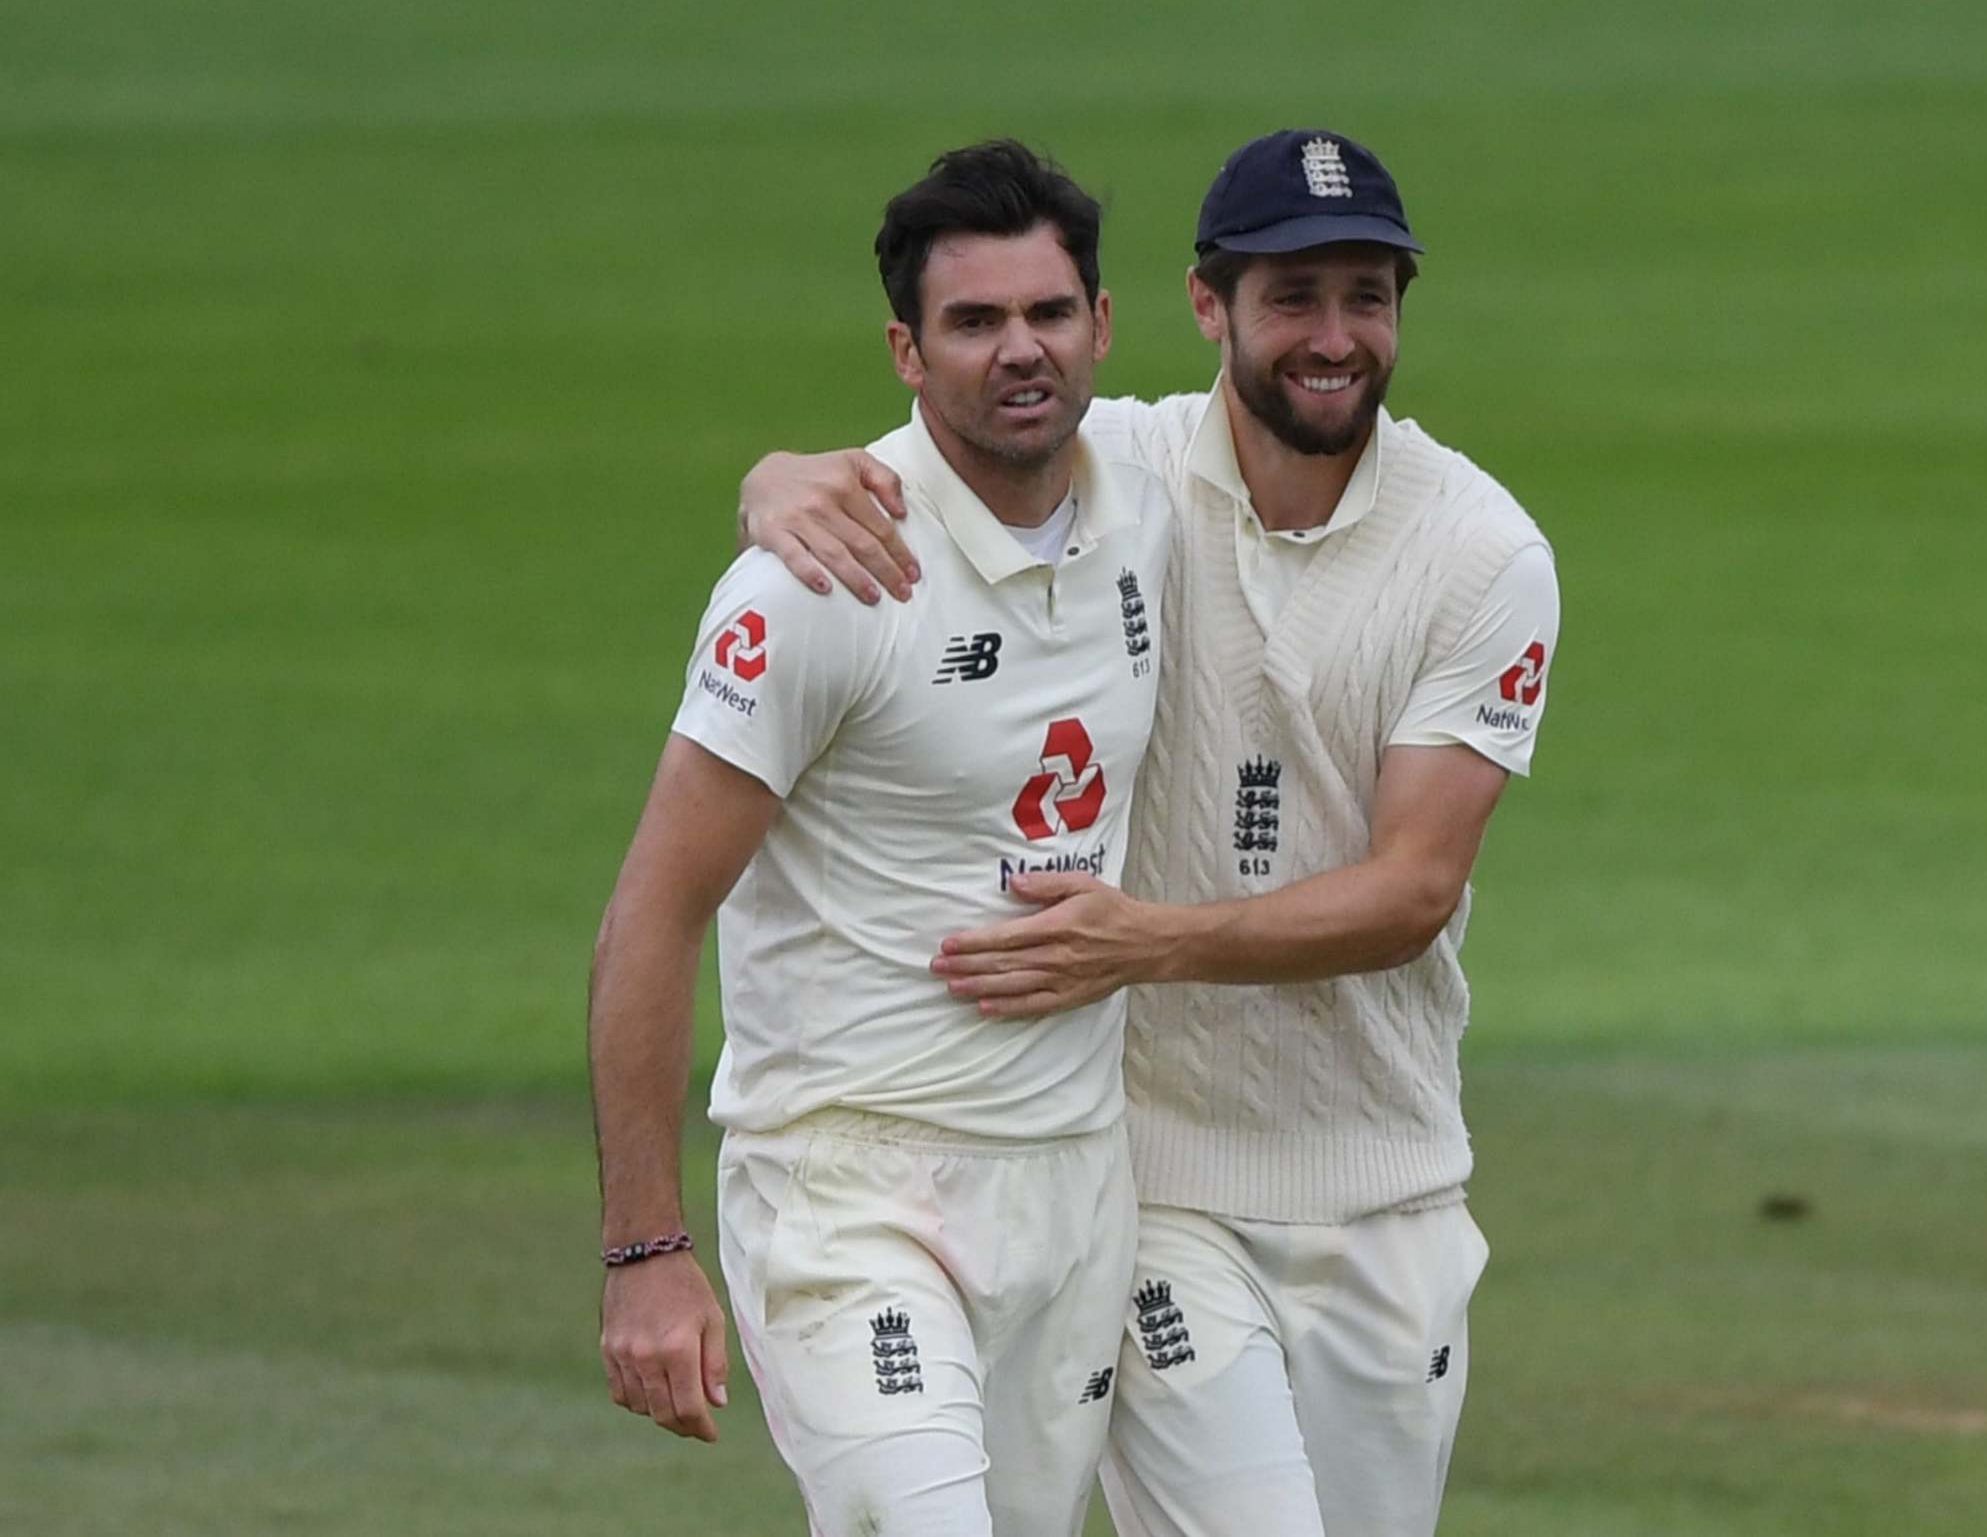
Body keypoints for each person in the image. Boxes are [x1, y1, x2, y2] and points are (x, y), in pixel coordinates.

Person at [739, 129, 1562, 1537]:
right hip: (1159, 1185)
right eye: (1291, 298)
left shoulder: (1480, 550)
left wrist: (1145, 945)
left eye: (1365, 296)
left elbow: (1413, 892)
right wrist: (771, 477)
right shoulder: (1115, 470)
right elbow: (905, 479)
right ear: (1205, 307)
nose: (1333, 336)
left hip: (1390, 1180)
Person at [589, 139, 1175, 1537]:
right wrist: (644, 1250)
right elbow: (651, 916)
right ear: (907, 354)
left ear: (1102, 325)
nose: (1017, 352)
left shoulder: (1154, 492)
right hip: (850, 1189)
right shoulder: (820, 578)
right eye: (973, 323)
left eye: (1046, 314)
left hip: (1074, 1186)